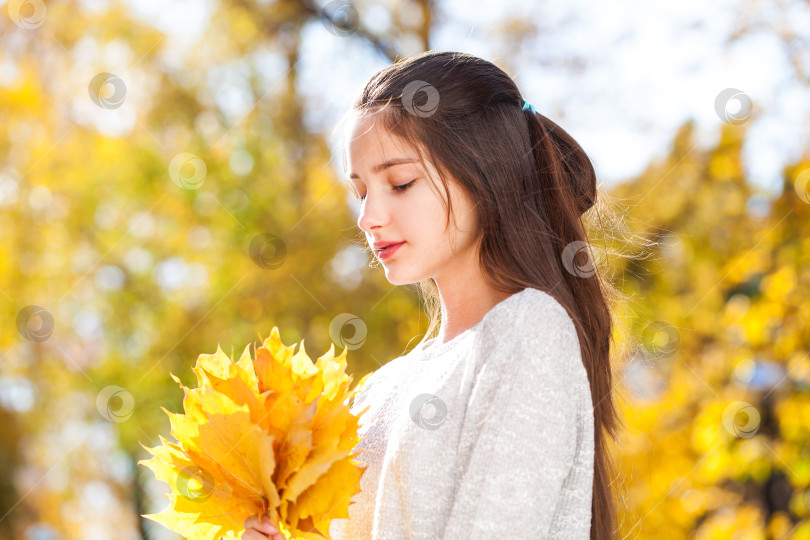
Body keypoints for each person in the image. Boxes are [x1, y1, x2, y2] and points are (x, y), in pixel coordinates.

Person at [244, 50, 623, 540]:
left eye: (400, 183)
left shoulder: (528, 333)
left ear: (483, 175)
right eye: (361, 192)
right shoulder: (377, 391)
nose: (368, 217)